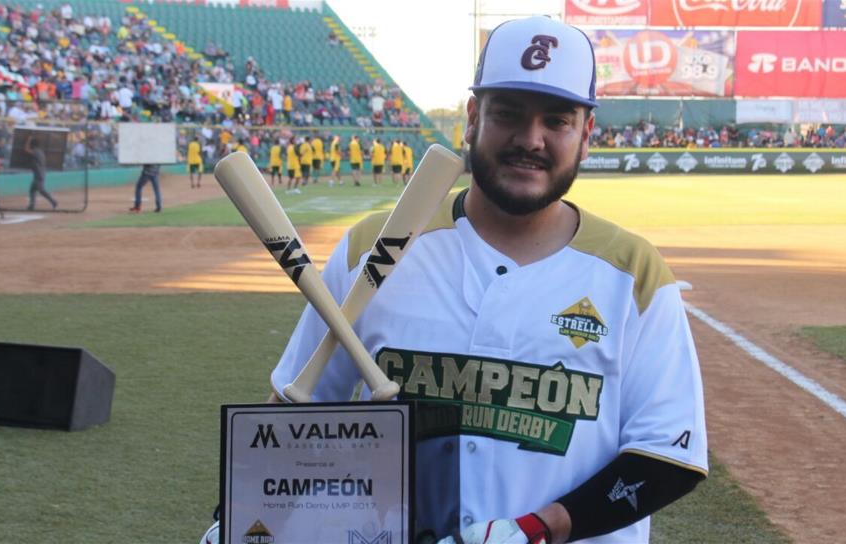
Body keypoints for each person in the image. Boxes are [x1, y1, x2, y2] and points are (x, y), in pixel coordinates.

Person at [264, 16, 707, 544]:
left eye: (557, 121)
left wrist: (537, 530)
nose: (531, 139)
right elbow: (295, 412)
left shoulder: (633, 273)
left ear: (586, 134)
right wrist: (244, 512)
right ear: (473, 118)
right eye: (508, 114)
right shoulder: (377, 250)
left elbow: (668, 455)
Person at [25, 136, 57, 211]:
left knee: (41, 190)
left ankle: (54, 202)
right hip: (39, 173)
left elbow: (26, 150)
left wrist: (28, 140)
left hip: (39, 174)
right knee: (32, 190)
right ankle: (31, 206)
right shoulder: (40, 151)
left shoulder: (36, 151)